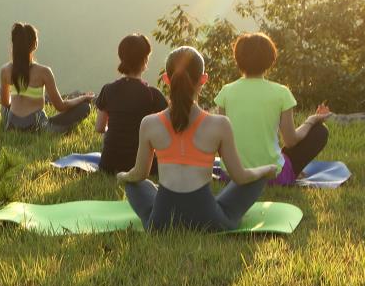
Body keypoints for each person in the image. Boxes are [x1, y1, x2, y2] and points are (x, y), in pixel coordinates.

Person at [117, 46, 277, 231]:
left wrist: (124, 176)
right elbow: (240, 177)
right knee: (255, 177)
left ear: (166, 80)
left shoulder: (149, 123)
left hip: (160, 222)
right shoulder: (220, 124)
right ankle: (216, 206)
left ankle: (157, 213)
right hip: (210, 221)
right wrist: (266, 169)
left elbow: (139, 174)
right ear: (204, 80)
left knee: (135, 184)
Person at [213, 32, 333, 186]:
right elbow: (290, 141)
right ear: (271, 60)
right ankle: (289, 170)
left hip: (232, 176)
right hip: (273, 177)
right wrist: (311, 120)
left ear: (238, 59)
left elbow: (221, 143)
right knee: (320, 131)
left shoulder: (226, 92)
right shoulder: (281, 93)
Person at [0, 22, 94, 133]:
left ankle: (17, 123)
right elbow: (61, 106)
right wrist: (82, 98)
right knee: (85, 107)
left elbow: (5, 103)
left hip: (11, 126)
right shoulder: (44, 72)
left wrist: (18, 104)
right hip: (38, 127)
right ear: (34, 44)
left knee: (5, 108)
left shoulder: (5, 70)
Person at [95, 33, 168, 173]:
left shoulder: (107, 90)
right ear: (145, 60)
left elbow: (99, 127)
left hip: (109, 164)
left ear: (121, 58)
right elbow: (169, 129)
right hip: (143, 166)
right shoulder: (153, 94)